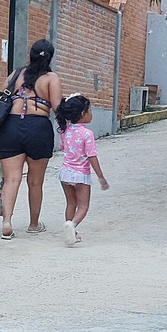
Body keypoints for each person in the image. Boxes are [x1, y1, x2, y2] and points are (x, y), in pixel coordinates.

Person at [0, 39, 63, 240]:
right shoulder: (51, 78)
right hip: (38, 128)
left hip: (10, 127)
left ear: (30, 55)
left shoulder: (15, 75)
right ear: (50, 57)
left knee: (11, 179)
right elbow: (58, 108)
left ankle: (6, 222)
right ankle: (34, 224)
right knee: (35, 181)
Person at [54, 94, 109, 246]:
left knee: (70, 204)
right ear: (83, 114)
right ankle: (72, 226)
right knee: (83, 206)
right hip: (80, 176)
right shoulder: (87, 134)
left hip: (65, 174)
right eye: (90, 110)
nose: (91, 113)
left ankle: (70, 230)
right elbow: (92, 156)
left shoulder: (64, 131)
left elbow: (62, 147)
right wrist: (100, 176)